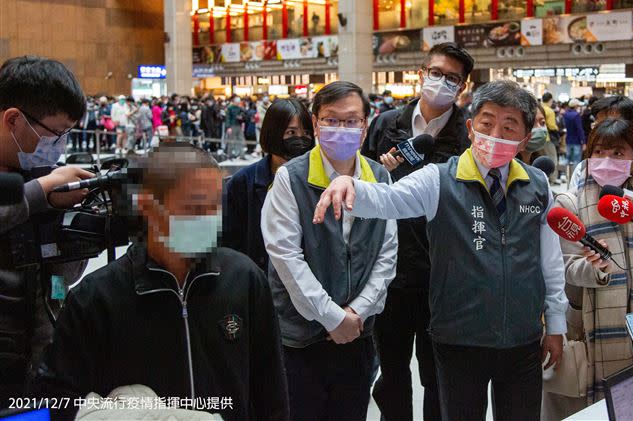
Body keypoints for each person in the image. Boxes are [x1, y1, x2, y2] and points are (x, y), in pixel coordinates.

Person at [314, 80, 568, 421]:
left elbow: (550, 261)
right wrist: (351, 185)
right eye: (487, 122)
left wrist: (555, 323)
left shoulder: (537, 185)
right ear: (470, 127)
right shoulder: (438, 179)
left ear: (524, 139)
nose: (495, 133)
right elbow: (390, 199)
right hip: (459, 337)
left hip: (522, 339)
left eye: (509, 127)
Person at [33, 143, 289, 420]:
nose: (207, 219)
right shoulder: (96, 298)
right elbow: (58, 398)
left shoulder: (244, 278)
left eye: (214, 206)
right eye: (193, 207)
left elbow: (270, 390)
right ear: (147, 207)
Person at [262, 81, 398, 421]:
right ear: (316, 122)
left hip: (358, 333)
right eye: (331, 120)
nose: (342, 128)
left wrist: (356, 313)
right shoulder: (290, 179)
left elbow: (387, 254)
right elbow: (286, 257)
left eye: (351, 121)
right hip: (301, 338)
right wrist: (332, 317)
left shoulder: (379, 178)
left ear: (366, 125)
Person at [362, 43, 473, 421]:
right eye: (436, 72)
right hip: (388, 274)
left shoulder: (468, 138)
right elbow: (361, 185)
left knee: (437, 377)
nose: (442, 82)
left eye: (452, 78)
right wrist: (379, 172)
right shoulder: (384, 124)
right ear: (421, 73)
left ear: (463, 86)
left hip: (442, 278)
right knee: (391, 374)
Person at [543, 119, 633, 420]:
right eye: (598, 152)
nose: (606, 161)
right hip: (589, 336)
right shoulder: (569, 202)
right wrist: (595, 268)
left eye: (618, 153)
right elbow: (563, 267)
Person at [0, 56, 95, 404]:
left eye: (67, 136)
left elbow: (57, 282)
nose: (59, 148)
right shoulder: (39, 185)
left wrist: (78, 234)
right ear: (13, 119)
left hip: (34, 370)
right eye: (53, 135)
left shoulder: (40, 176)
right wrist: (42, 192)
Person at [222, 98, 314, 270]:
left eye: (306, 134)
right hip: (258, 280)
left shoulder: (318, 180)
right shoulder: (242, 183)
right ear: (273, 133)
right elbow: (229, 243)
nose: (300, 140)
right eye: (291, 133)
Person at [540, 92, 561, 185]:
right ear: (551, 100)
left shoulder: (538, 108)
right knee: (553, 158)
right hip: (547, 138)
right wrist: (558, 129)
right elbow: (552, 126)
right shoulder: (549, 111)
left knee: (539, 158)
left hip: (536, 138)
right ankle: (553, 178)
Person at [564, 99, 585, 171]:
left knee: (568, 158)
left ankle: (567, 174)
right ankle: (575, 176)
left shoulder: (565, 114)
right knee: (576, 159)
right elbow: (580, 129)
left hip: (568, 139)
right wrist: (583, 141)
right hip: (577, 140)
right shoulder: (576, 115)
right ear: (576, 106)